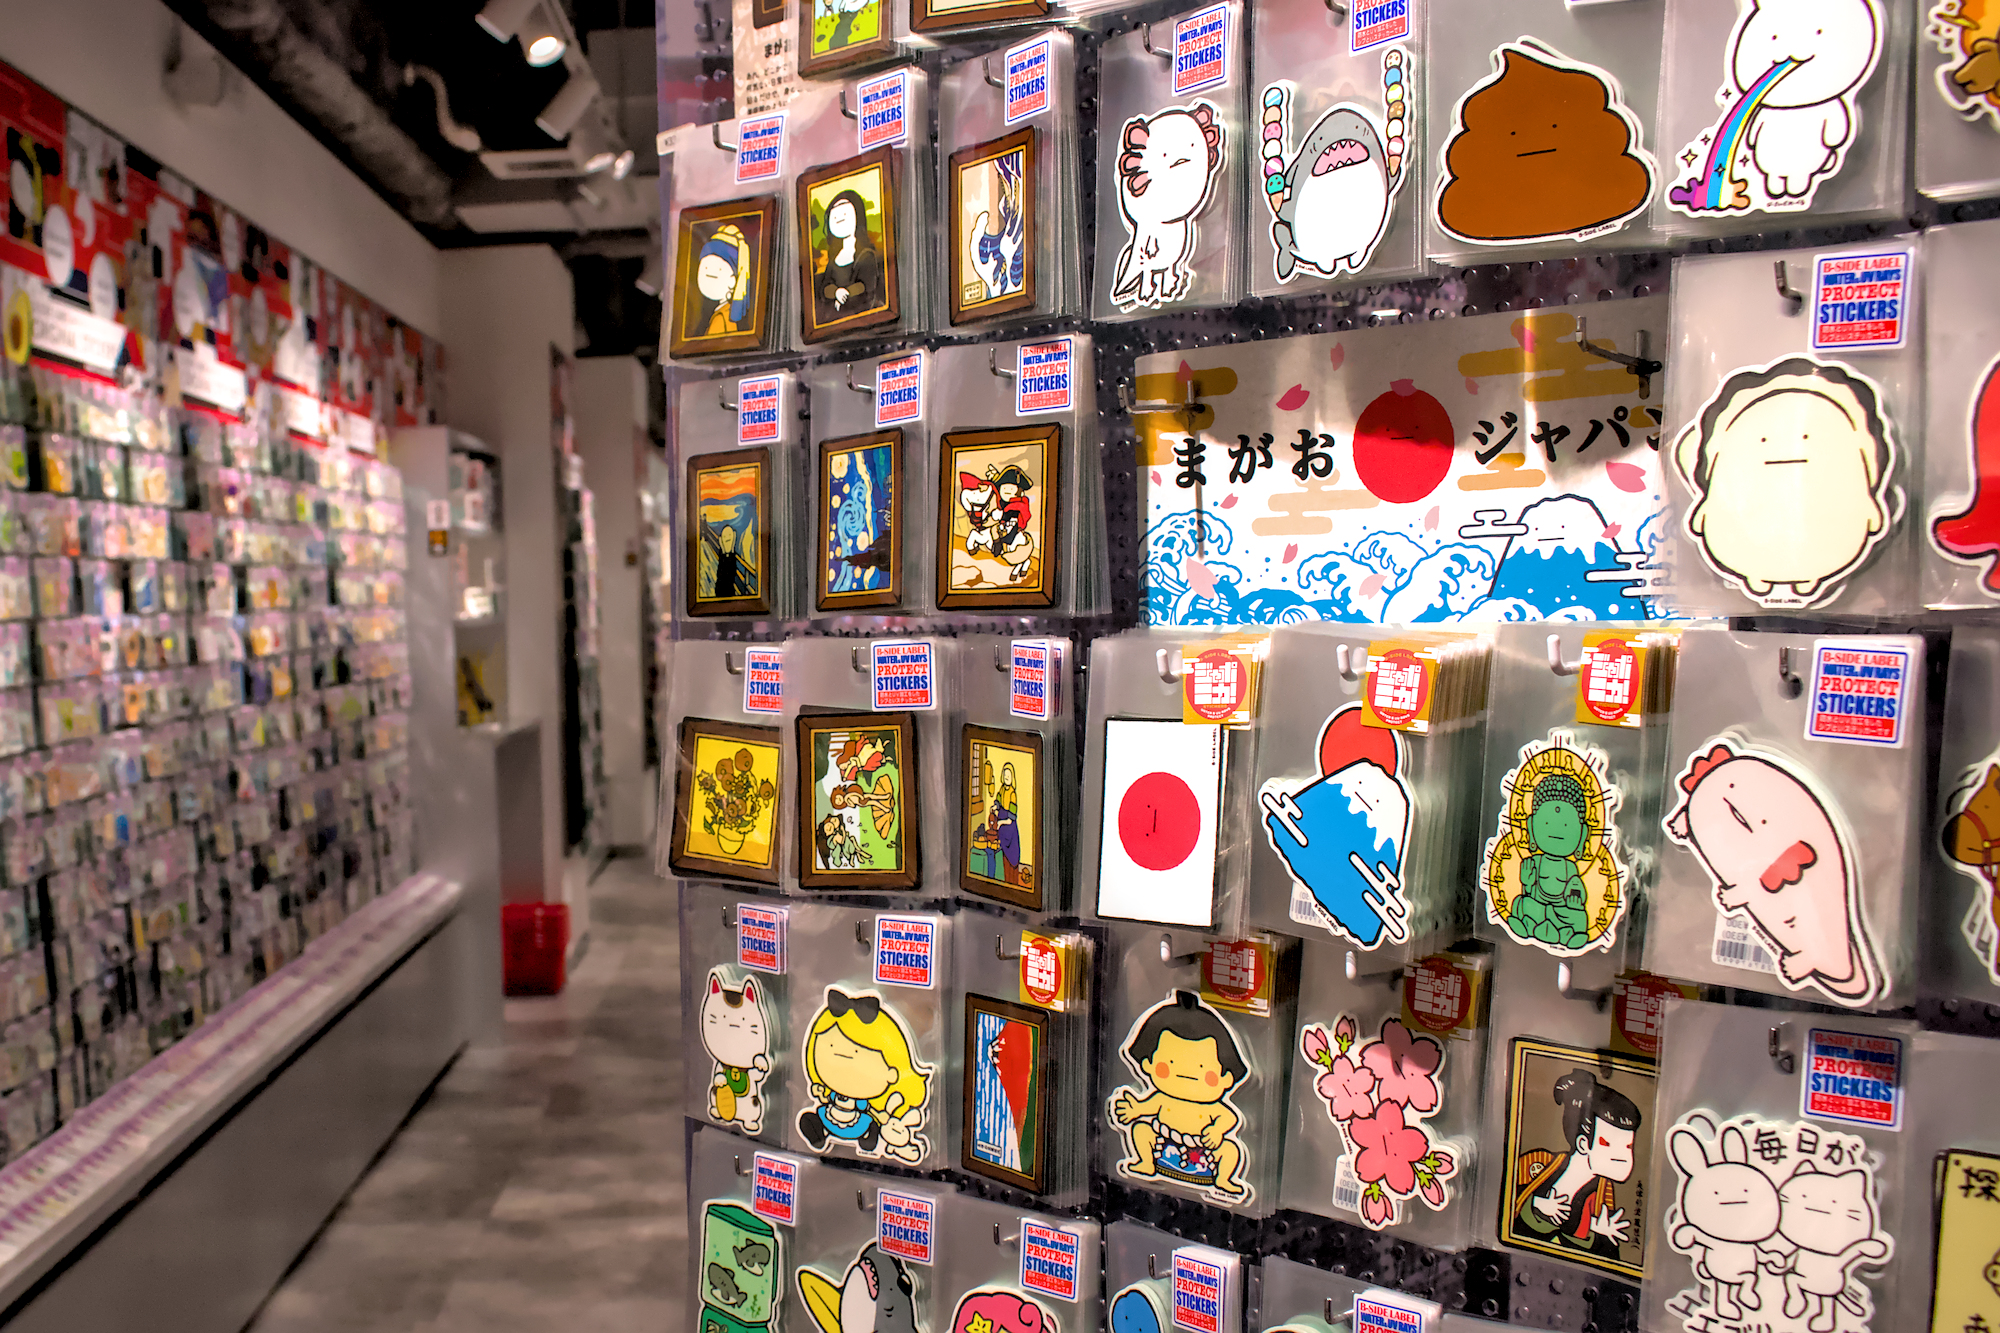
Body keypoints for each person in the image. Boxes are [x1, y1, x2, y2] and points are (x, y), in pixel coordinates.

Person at [1109, 991, 1252, 1199]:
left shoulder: (1214, 1108)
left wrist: (1216, 1131)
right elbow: (1144, 1108)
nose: (1186, 1073)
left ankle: (1223, 1179)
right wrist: (1133, 1110)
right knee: (1141, 1129)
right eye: (1170, 1063)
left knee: (1230, 1149)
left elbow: (1229, 1118)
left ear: (1226, 1078)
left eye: (1203, 1068)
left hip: (1205, 1155)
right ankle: (1146, 1163)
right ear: (1148, 1064)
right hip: (1163, 1146)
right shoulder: (1161, 1099)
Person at [1511, 1068, 1642, 1260]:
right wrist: (1536, 1206)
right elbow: (1503, 1206)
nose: (1622, 1156)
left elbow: (1603, 1257)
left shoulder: (1603, 1194)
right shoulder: (1537, 1163)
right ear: (1583, 1143)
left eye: (1628, 1146)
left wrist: (1599, 1233)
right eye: (1607, 1143)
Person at [814, 190, 883, 325]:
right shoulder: (834, 260)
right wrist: (836, 292)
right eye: (834, 216)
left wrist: (847, 293)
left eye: (845, 214)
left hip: (863, 317)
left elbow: (866, 285)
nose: (839, 219)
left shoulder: (866, 255)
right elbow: (825, 287)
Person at [691, 223, 753, 339]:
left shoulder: (721, 318)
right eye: (705, 268)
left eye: (718, 271)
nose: (707, 273)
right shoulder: (724, 313)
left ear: (733, 280)